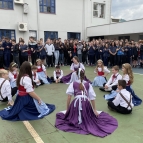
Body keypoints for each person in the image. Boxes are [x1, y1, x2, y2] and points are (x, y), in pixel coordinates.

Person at [55, 68, 118, 137]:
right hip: (86, 104)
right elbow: (92, 98)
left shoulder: (73, 83)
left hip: (75, 104)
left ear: (76, 75)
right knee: (89, 116)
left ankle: (76, 119)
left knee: (70, 115)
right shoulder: (88, 84)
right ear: (84, 74)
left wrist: (67, 109)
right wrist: (94, 109)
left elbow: (69, 97)